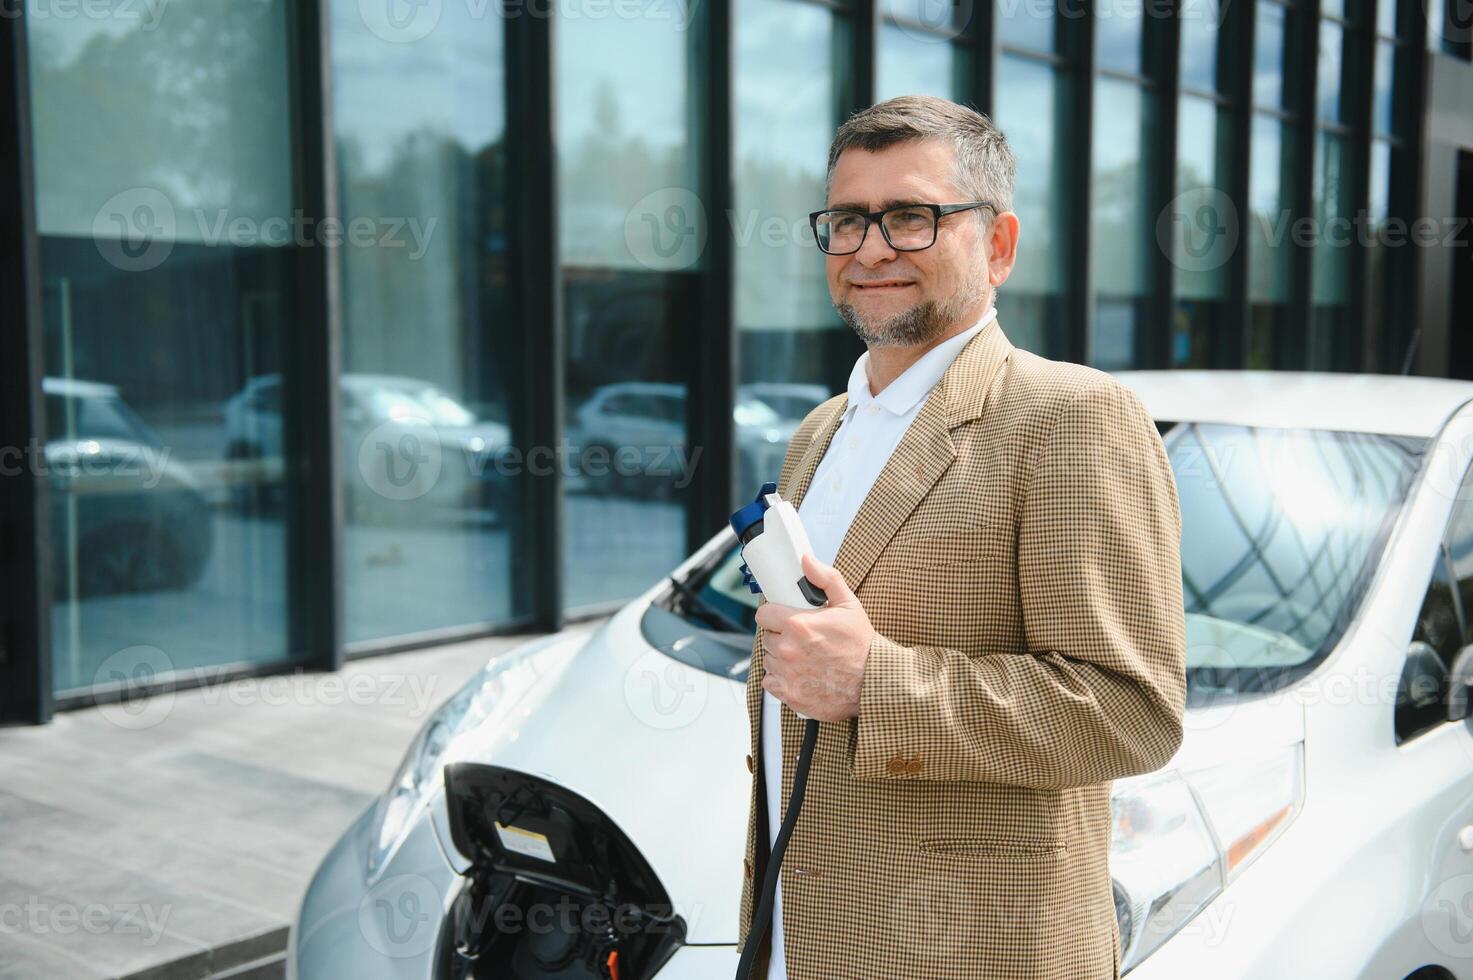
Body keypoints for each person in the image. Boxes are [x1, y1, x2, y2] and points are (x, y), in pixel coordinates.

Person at [735, 95, 1187, 980]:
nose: (870, 248)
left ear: (999, 245)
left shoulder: (1070, 418)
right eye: (848, 221)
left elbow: (1132, 713)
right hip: (801, 940)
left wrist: (876, 680)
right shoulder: (819, 431)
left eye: (911, 217)